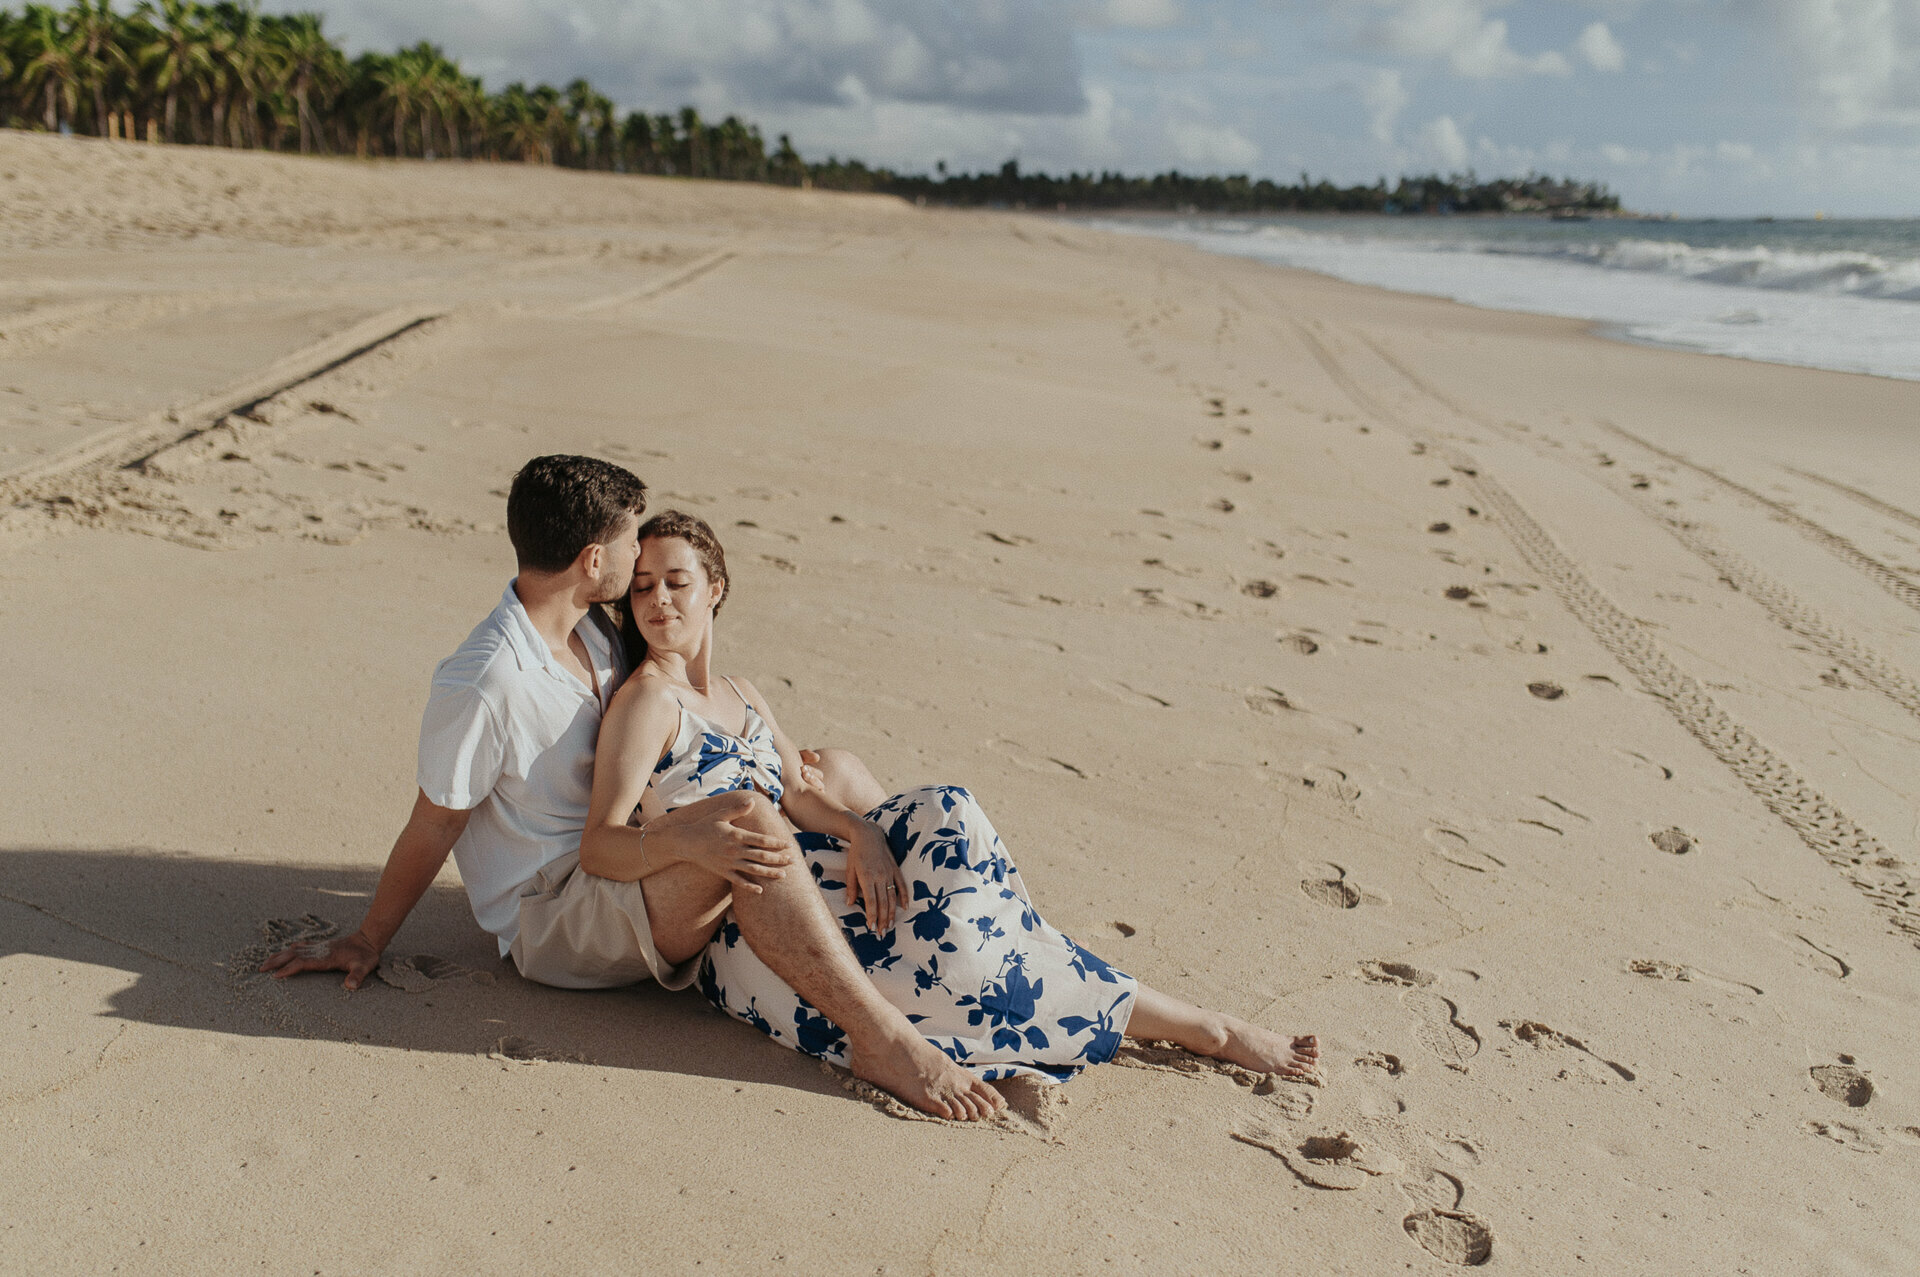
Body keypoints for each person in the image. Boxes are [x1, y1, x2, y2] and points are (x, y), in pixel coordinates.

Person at [577, 508, 1319, 1091]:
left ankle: (1182, 1019)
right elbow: (601, 842)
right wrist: (686, 840)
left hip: (818, 867)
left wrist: (860, 832)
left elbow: (799, 793)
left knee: (949, 818)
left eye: (676, 579)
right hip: (762, 919)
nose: (658, 598)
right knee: (956, 956)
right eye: (641, 586)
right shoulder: (647, 704)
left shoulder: (742, 693)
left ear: (717, 586)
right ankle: (1195, 1028)